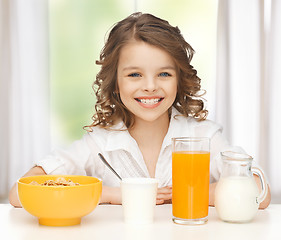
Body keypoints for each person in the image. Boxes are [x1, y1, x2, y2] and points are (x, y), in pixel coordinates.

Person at [9, 12, 271, 208]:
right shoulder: (99, 143)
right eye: (134, 74)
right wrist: (114, 195)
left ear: (179, 79)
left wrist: (193, 191)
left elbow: (261, 193)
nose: (150, 86)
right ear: (115, 82)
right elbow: (20, 193)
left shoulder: (204, 137)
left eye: (164, 74)